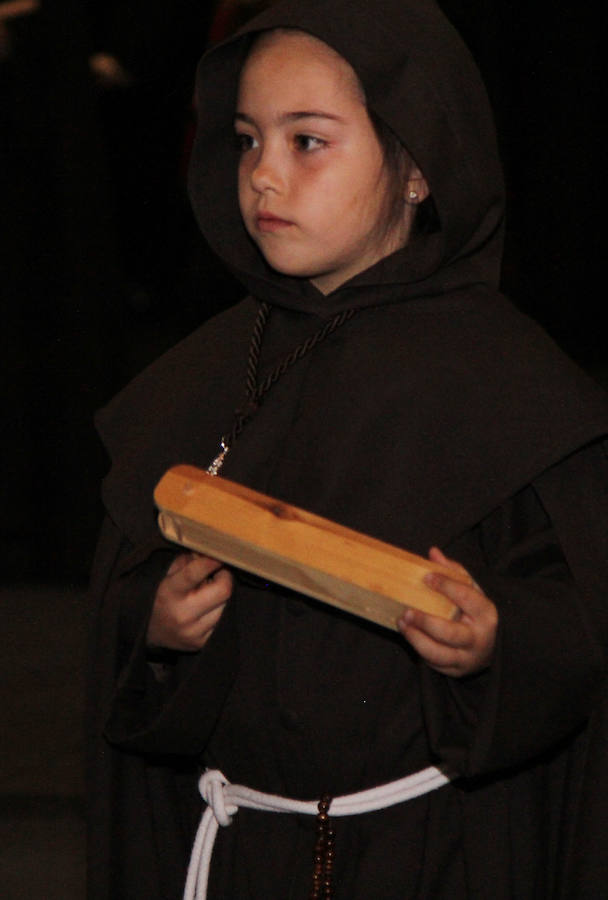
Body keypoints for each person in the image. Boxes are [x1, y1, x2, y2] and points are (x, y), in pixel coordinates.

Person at [87, 1, 608, 897]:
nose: (264, 178)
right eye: (248, 140)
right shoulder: (204, 371)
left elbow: (578, 622)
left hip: (431, 857)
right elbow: (122, 627)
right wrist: (158, 629)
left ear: (414, 167)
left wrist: (497, 641)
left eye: (308, 141)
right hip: (241, 848)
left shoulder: (511, 384)